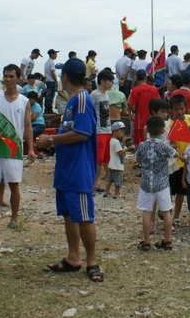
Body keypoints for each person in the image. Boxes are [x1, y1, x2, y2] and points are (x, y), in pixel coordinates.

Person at [39, 58, 102, 282]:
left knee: (84, 217)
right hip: (66, 169)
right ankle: (73, 256)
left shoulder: (83, 100)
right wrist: (54, 142)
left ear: (64, 77)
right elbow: (72, 133)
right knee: (68, 214)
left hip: (79, 170)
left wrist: (51, 139)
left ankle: (92, 261)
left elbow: (83, 133)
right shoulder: (73, 102)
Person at [0, 64, 35, 228]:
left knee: (14, 184)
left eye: (11, 76)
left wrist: (30, 148)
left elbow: (28, 126)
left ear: (18, 78)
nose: (8, 79)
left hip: (14, 148)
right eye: (6, 76)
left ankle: (14, 218)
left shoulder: (24, 101)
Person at [135, 115, 178, 251]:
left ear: (147, 129)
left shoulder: (142, 146)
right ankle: (167, 240)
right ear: (162, 131)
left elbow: (138, 158)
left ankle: (146, 241)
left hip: (147, 183)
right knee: (166, 212)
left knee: (147, 212)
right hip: (162, 183)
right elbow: (175, 154)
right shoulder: (164, 146)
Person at [167, 95, 190, 226]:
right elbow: (172, 142)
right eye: (176, 109)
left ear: (185, 108)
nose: (179, 112)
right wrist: (178, 153)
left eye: (182, 109)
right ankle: (168, 214)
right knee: (170, 189)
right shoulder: (170, 124)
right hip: (174, 161)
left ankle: (176, 216)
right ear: (171, 110)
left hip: (186, 160)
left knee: (181, 190)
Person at [91, 70, 114, 193]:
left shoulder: (105, 94)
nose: (111, 83)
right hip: (99, 131)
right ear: (102, 81)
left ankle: (107, 178)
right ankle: (94, 184)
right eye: (109, 81)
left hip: (107, 129)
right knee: (98, 160)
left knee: (106, 158)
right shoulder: (94, 95)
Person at [128, 70, 160, 147]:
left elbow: (132, 107)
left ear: (137, 78)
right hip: (153, 122)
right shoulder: (154, 89)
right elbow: (159, 103)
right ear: (146, 78)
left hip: (139, 122)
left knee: (139, 146)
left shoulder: (135, 90)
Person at [103, 121, 132, 199]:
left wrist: (123, 141)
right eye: (122, 132)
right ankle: (116, 193)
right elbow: (120, 152)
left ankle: (106, 192)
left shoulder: (112, 140)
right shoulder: (116, 142)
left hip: (112, 164)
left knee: (110, 179)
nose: (123, 134)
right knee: (118, 180)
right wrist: (128, 149)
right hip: (117, 165)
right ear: (115, 132)